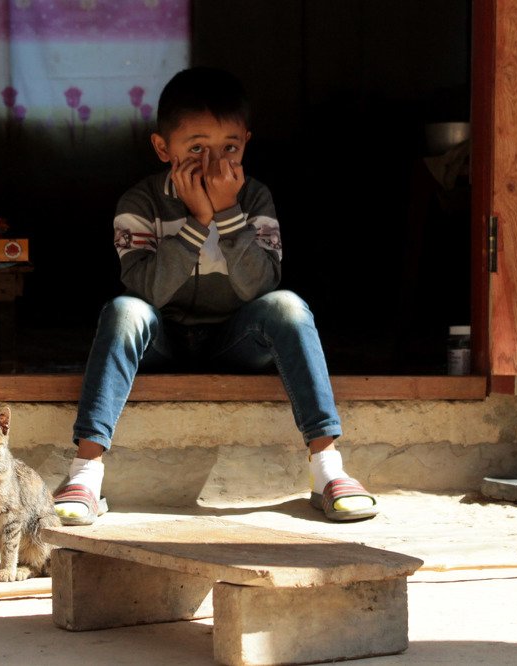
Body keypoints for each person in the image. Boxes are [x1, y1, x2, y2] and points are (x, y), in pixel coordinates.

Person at [52, 66, 377, 524]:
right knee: (124, 311)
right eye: (197, 148)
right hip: (162, 340)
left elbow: (260, 287)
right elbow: (150, 291)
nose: (214, 163)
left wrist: (226, 214)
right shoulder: (140, 203)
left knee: (288, 306)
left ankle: (327, 467)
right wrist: (195, 223)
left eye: (230, 148)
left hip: (233, 340)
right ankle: (85, 472)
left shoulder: (255, 199)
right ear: (163, 148)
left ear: (246, 141)